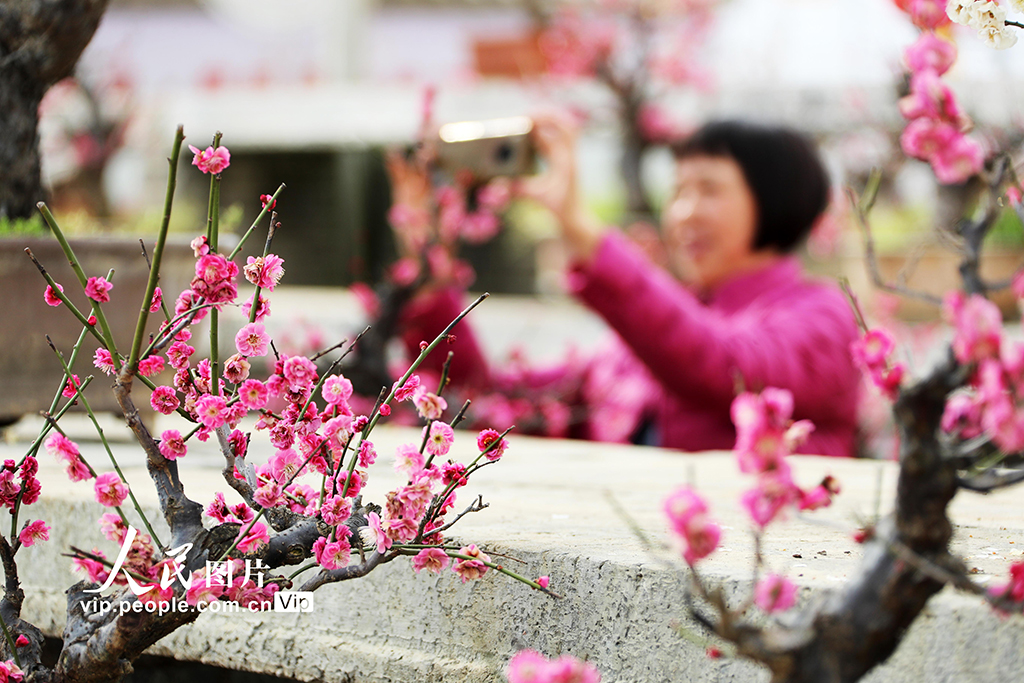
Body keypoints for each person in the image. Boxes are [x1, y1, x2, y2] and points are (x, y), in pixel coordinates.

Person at [396, 117, 861, 457]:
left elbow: (721, 365)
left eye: (709, 189)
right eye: (678, 191)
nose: (683, 213)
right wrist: (428, 266)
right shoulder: (633, 349)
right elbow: (495, 401)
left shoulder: (822, 316)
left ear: (776, 201)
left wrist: (582, 231)